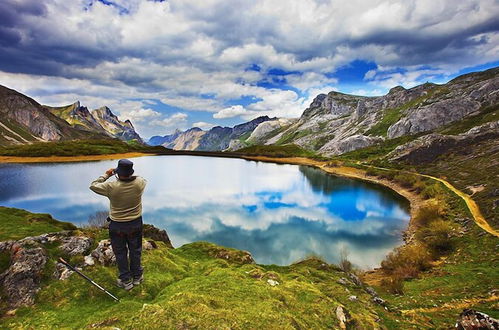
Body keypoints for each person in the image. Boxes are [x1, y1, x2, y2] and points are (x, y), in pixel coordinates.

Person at [89, 159, 147, 291]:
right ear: (131, 172)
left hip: (117, 225)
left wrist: (107, 174)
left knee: (120, 252)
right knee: (135, 250)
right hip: (135, 223)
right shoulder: (139, 184)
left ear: (118, 173)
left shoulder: (111, 187)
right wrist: (127, 172)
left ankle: (126, 281)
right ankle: (137, 277)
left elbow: (93, 185)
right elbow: (141, 178)